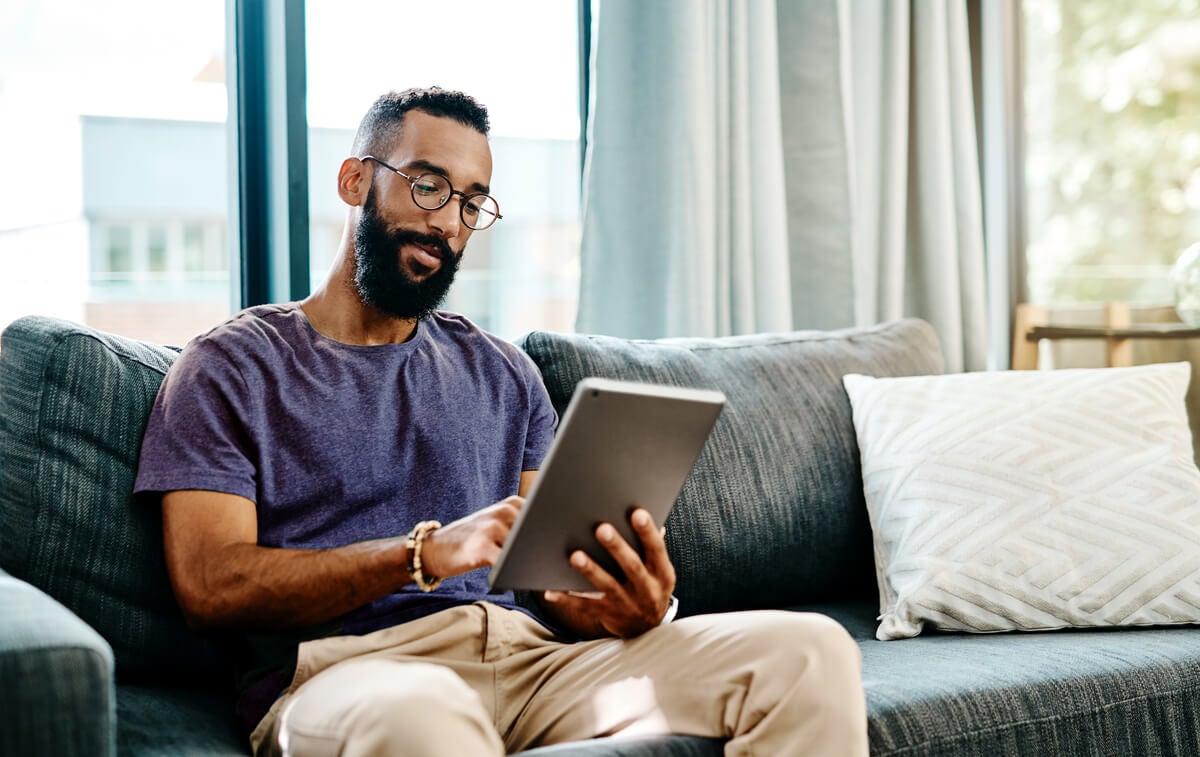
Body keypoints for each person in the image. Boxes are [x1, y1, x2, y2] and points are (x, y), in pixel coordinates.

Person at [134, 86, 868, 756]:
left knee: (809, 651)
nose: (447, 221)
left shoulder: (503, 373)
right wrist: (421, 554)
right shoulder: (230, 366)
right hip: (350, 672)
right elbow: (210, 585)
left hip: (531, 663)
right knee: (424, 712)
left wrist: (625, 604)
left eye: (471, 202)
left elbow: (552, 592)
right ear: (355, 179)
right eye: (427, 184)